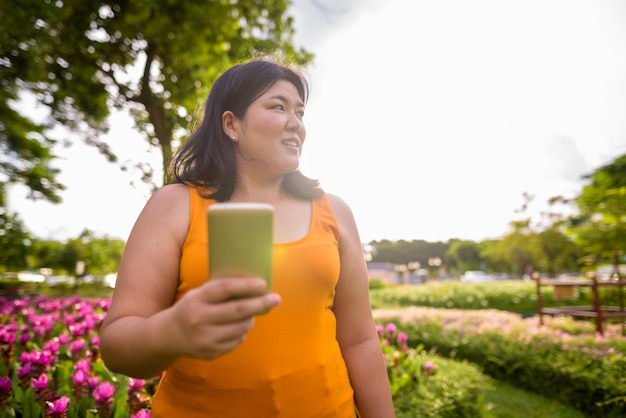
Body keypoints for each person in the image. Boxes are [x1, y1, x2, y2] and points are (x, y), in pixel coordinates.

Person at [99, 56, 395, 418]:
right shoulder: (174, 205)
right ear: (231, 124)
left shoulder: (336, 211)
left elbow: (361, 341)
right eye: (278, 106)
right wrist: (173, 330)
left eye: (300, 112)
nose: (295, 123)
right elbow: (116, 347)